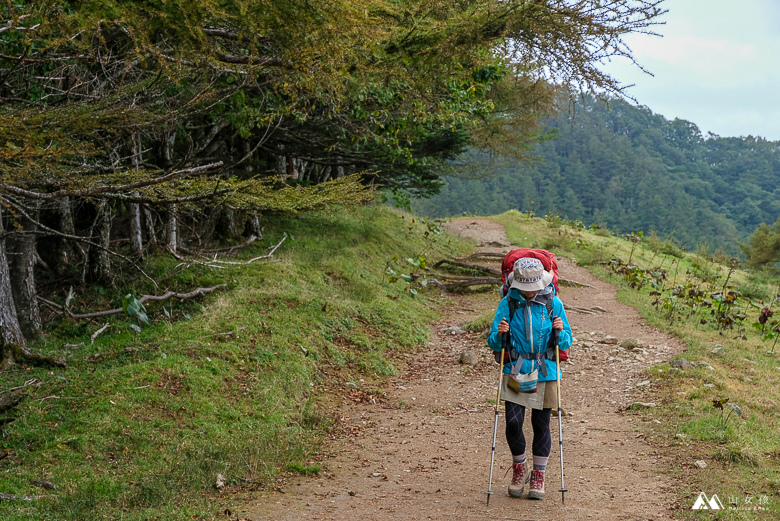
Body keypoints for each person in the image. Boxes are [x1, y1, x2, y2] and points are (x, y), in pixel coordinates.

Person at [487, 257, 572, 500]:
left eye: (533, 287)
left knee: (541, 424)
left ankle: (539, 475)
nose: (530, 292)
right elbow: (493, 341)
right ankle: (519, 467)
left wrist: (560, 331)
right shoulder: (508, 303)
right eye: (525, 288)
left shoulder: (553, 303)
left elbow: (567, 341)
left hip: (546, 369)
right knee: (513, 422)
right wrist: (499, 334)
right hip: (517, 366)